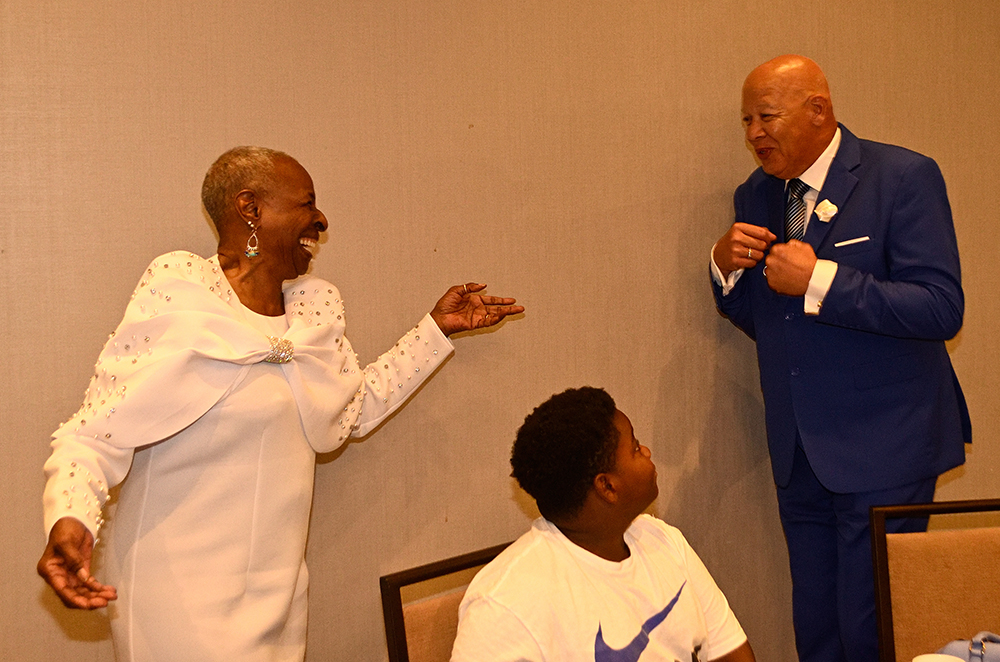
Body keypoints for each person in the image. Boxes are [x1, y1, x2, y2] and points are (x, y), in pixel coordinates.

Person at [37, 146, 524, 662]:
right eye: (307, 203)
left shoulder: (313, 312)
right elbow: (95, 433)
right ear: (250, 208)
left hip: (280, 596)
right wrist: (70, 516)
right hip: (177, 599)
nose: (321, 219)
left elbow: (351, 411)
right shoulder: (182, 295)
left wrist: (435, 330)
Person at [710, 55, 970, 662]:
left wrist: (820, 279)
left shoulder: (902, 177)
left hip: (887, 444)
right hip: (800, 449)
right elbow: (770, 322)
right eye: (746, 121)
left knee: (871, 627)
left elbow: (940, 308)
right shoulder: (755, 194)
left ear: (818, 110)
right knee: (818, 626)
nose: (754, 134)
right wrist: (724, 270)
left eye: (766, 117)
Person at [451, 387, 756, 662]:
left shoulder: (664, 541)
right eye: (635, 447)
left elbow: (732, 654)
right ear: (607, 487)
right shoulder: (504, 604)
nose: (647, 452)